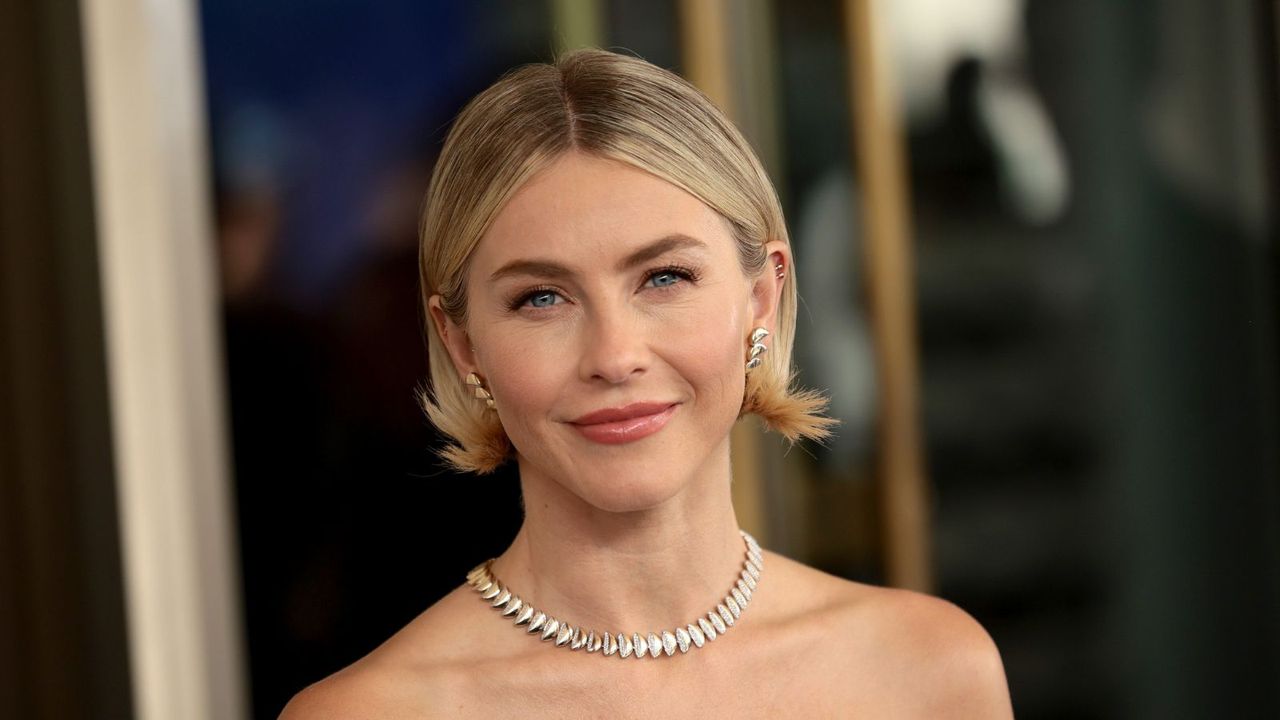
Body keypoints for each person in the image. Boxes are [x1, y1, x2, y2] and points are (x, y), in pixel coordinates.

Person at [281, 47, 1014, 718]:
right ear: (462, 344)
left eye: (665, 278)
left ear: (762, 297)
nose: (614, 354)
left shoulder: (929, 672)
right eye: (542, 297)